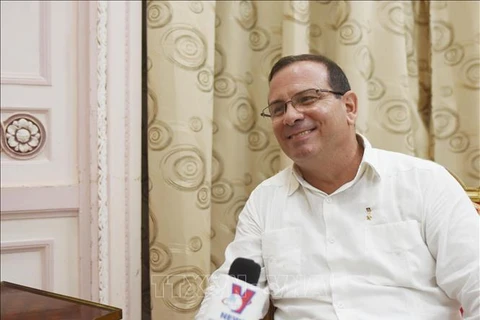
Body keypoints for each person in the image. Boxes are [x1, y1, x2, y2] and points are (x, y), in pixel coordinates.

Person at [196, 54, 480, 319]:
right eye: (278, 109)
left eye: (307, 99)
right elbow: (238, 290)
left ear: (349, 107)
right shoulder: (266, 201)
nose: (291, 116)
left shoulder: (424, 182)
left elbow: (475, 281)